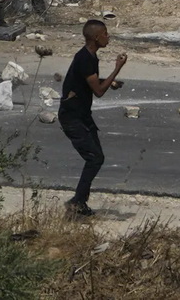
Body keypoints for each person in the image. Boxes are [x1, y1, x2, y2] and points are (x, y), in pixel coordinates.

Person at [58, 19, 127, 217]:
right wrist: (117, 68)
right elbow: (98, 91)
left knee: (97, 158)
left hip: (82, 116)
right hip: (72, 117)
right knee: (94, 158)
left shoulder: (89, 57)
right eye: (105, 33)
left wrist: (108, 81)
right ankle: (77, 202)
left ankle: (79, 201)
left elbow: (89, 82)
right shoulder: (85, 59)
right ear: (96, 37)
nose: (108, 37)